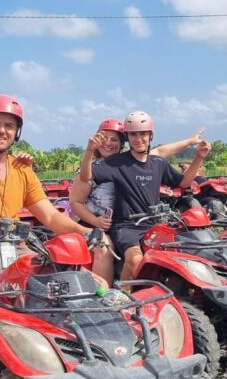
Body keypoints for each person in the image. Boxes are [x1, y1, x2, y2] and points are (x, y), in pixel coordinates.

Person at [0, 94, 93, 316]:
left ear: (17, 132)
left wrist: (87, 232)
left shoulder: (22, 169)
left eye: (9, 125)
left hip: (19, 249)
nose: (2, 130)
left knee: (90, 285)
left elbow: (51, 217)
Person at [80, 110, 211, 280]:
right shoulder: (116, 162)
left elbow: (184, 182)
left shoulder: (158, 163)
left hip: (154, 224)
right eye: (133, 134)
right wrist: (89, 151)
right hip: (126, 226)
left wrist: (199, 157)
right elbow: (86, 177)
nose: (138, 138)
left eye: (143, 133)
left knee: (181, 253)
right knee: (135, 260)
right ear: (127, 137)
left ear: (151, 135)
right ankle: (123, 296)